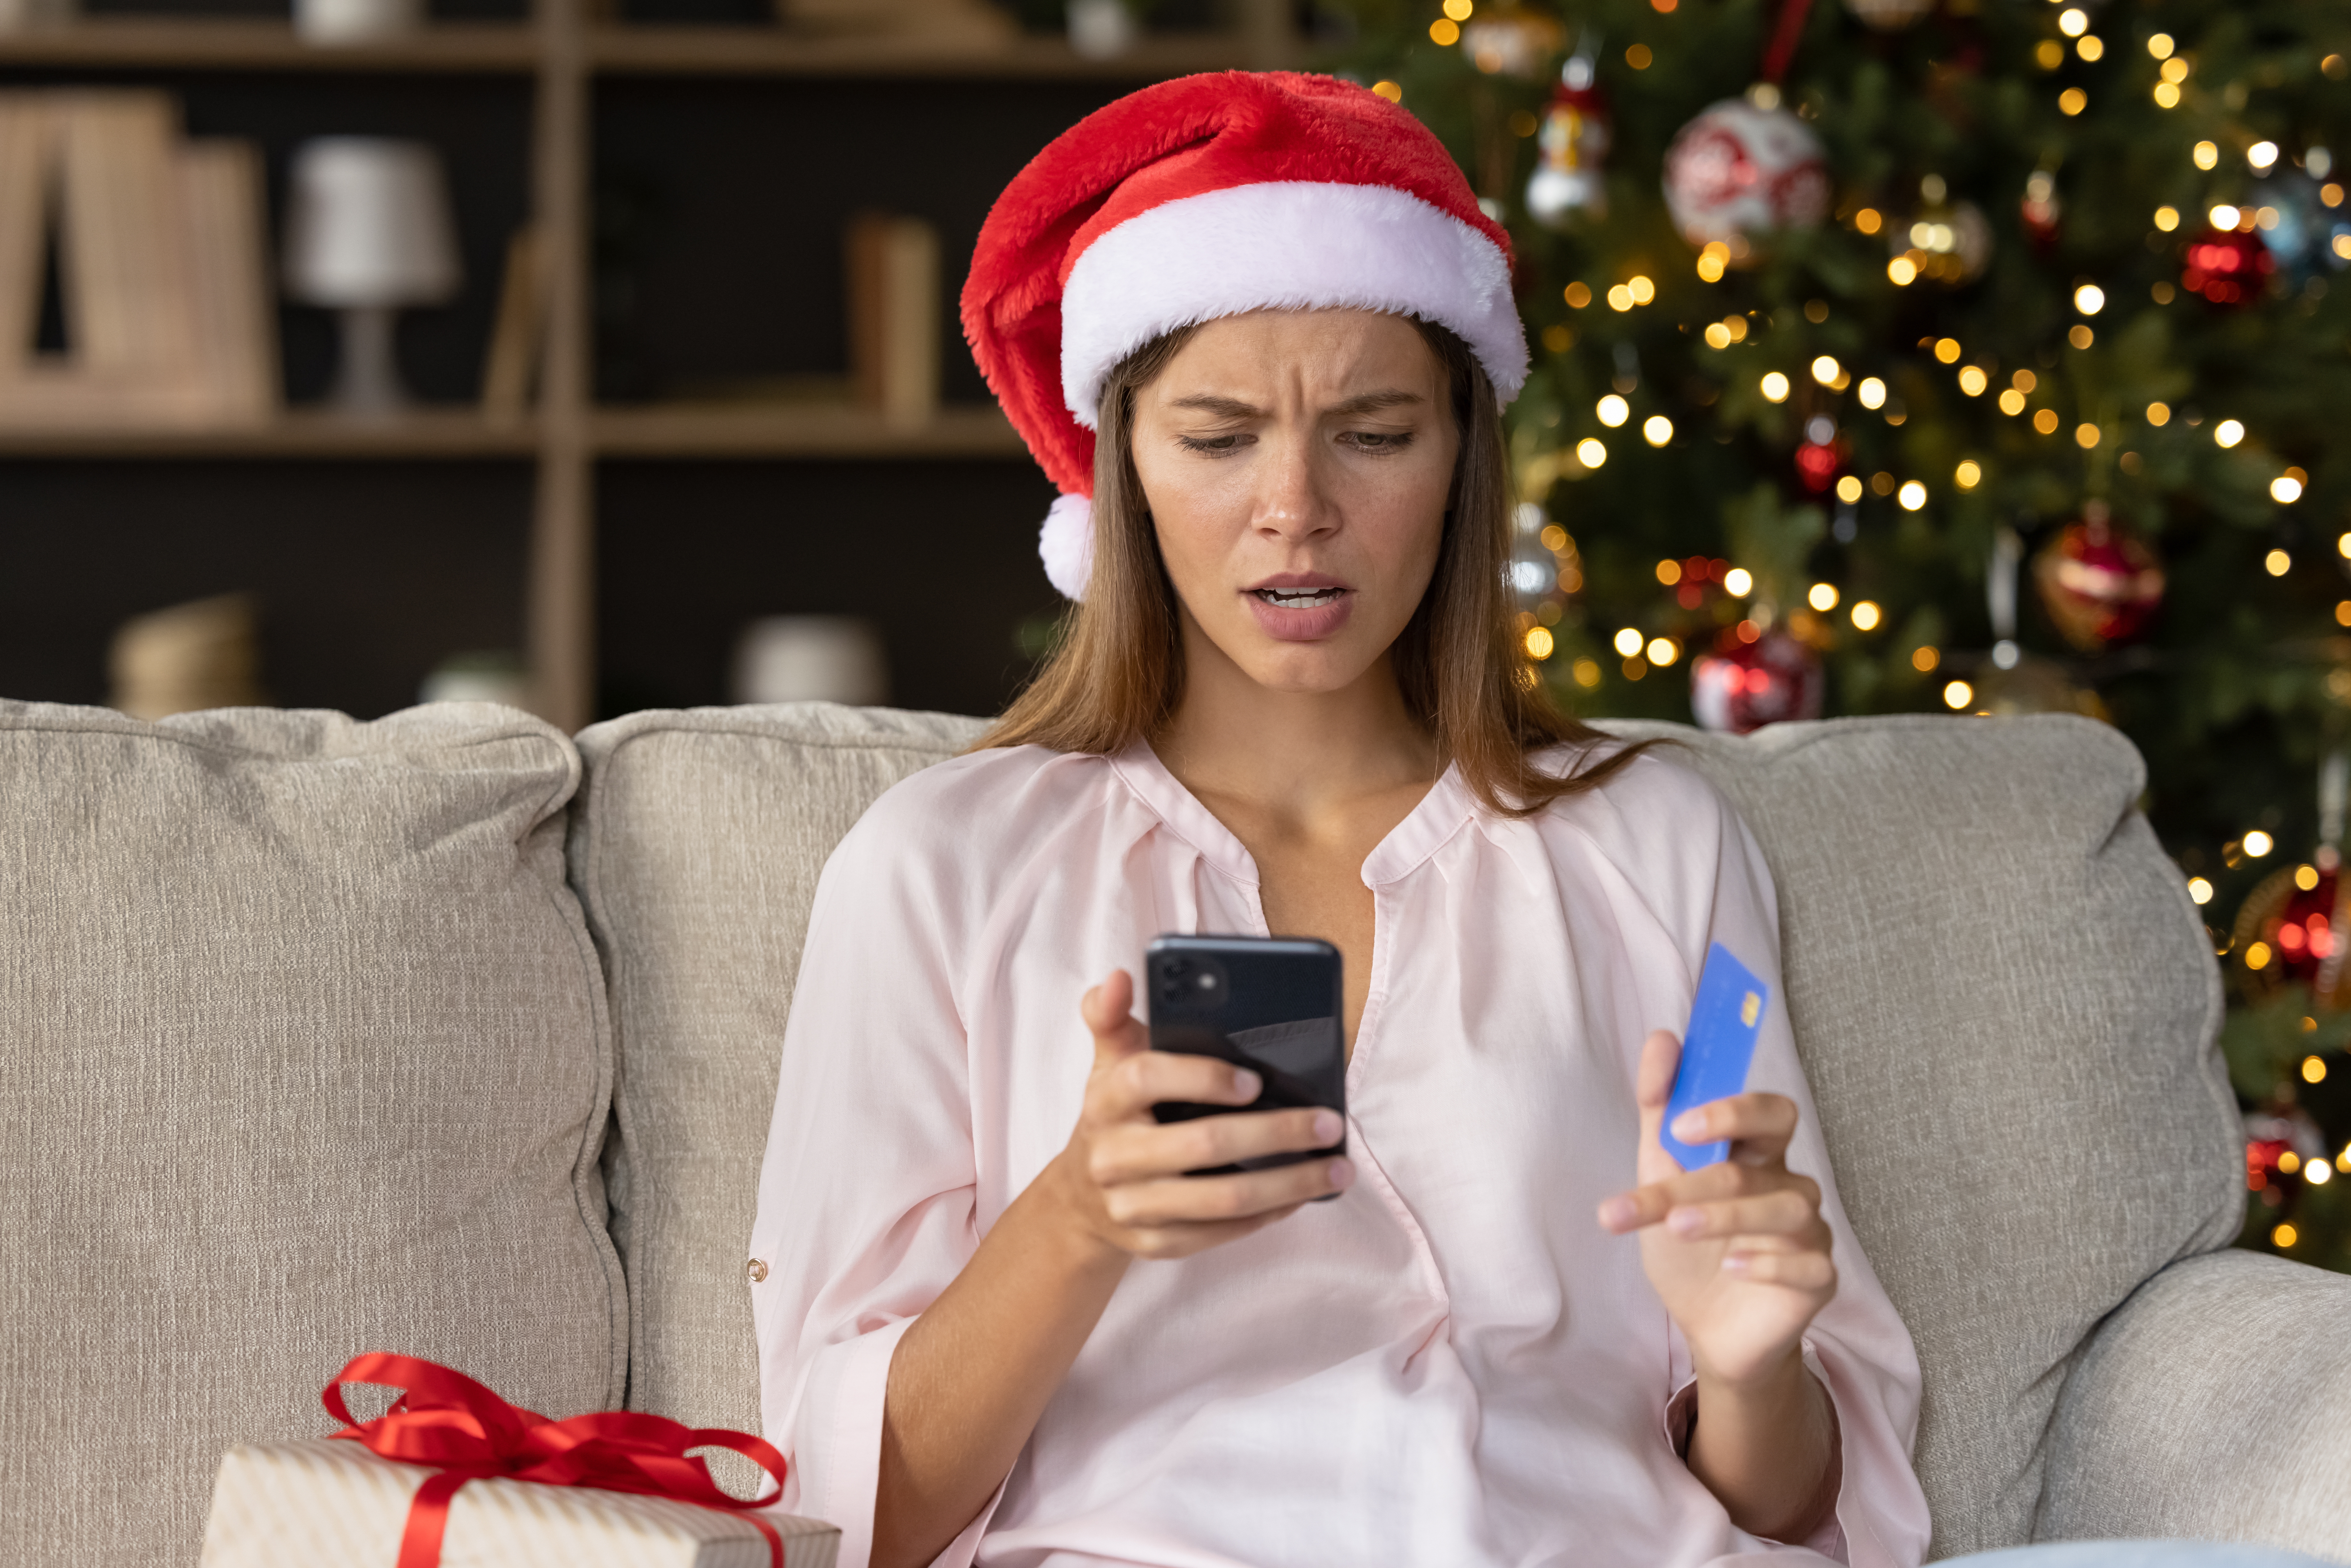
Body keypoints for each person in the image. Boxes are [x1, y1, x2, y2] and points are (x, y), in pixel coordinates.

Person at [747, 72, 1934, 1568]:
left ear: (1461, 461)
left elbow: (1796, 1506)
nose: (1295, 507)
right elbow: (849, 1520)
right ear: (1122, 470)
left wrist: (1755, 1364)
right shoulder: (940, 866)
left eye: (1374, 434)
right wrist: (1078, 1218)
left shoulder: (1656, 845)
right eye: (1219, 435)